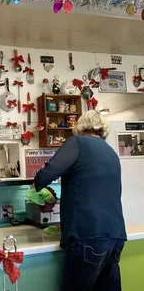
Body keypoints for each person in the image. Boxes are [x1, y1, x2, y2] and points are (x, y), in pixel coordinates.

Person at [34, 110, 126, 291]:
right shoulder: (111, 152)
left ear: (80, 126)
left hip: (89, 235)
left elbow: (47, 174)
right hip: (116, 235)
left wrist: (36, 183)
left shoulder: (77, 143)